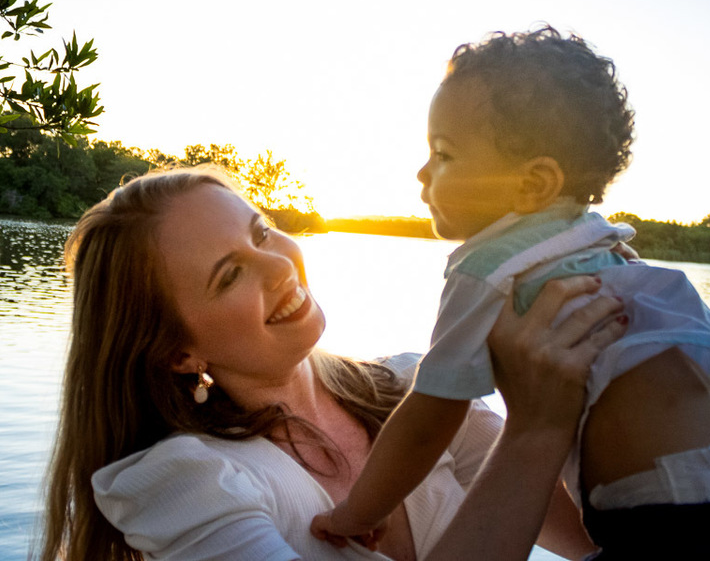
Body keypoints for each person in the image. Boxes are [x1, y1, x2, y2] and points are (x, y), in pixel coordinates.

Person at [311, 28, 710, 560]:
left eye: (444, 154)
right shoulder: (598, 243)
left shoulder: (489, 267)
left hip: (677, 527)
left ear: (533, 184)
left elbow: (431, 416)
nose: (422, 172)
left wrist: (359, 512)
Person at [38, 166, 630, 561]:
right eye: (230, 275)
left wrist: (617, 358)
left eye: (262, 233)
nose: (279, 266)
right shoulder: (183, 482)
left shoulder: (413, 390)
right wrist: (536, 427)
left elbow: (608, 538)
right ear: (178, 352)